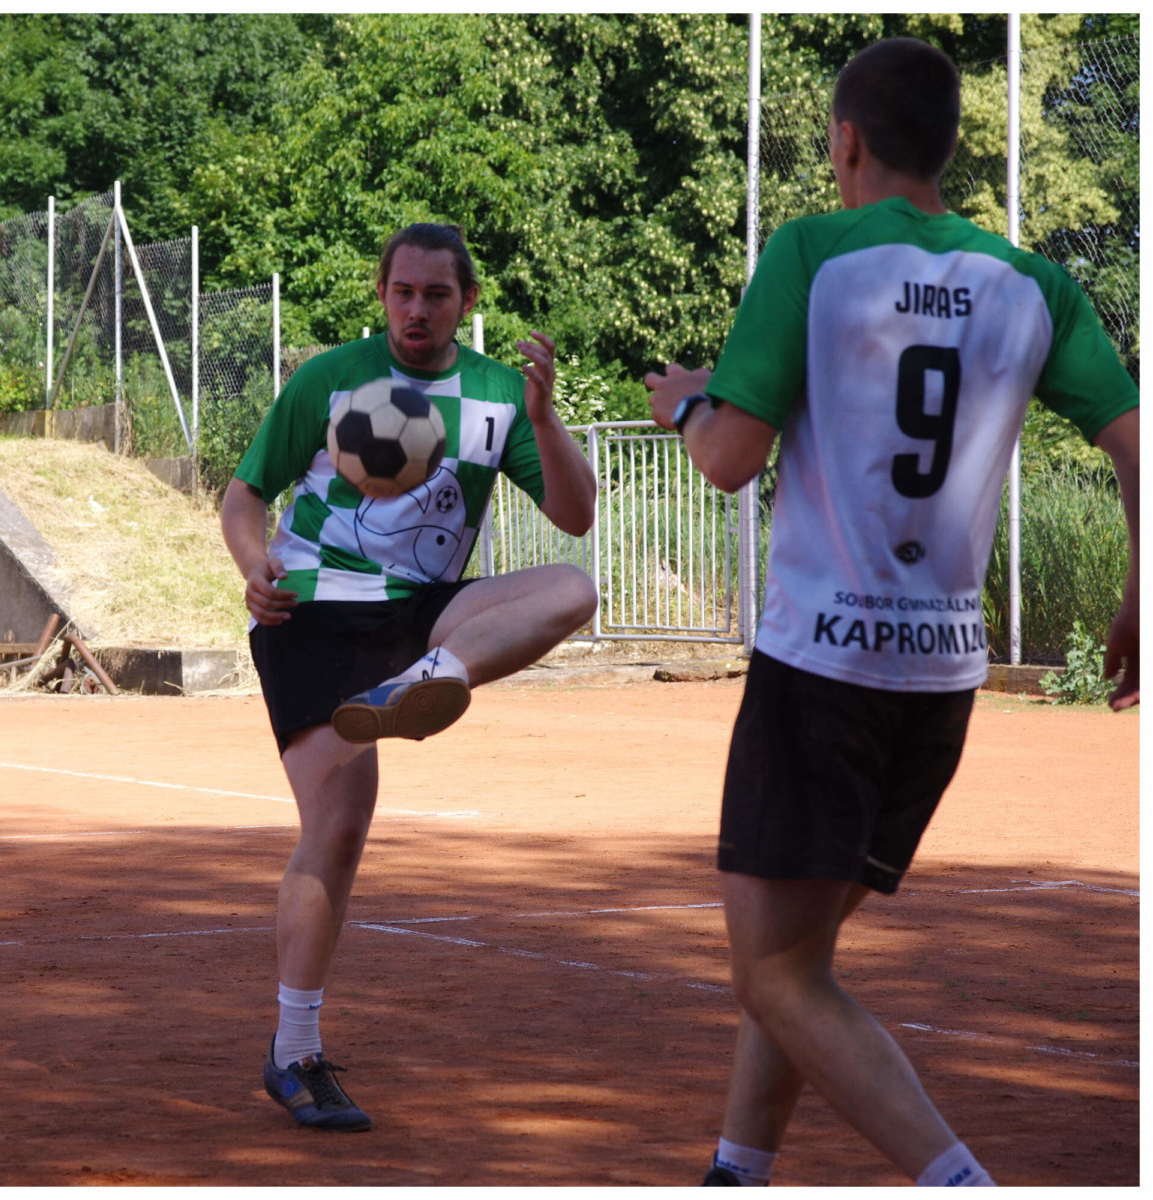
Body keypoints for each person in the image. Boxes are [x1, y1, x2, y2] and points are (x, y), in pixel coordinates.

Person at [646, 37, 1138, 1188]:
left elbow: (726, 458)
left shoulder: (813, 253)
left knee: (773, 973)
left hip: (822, 667)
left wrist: (685, 404)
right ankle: (737, 1168)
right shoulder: (1033, 284)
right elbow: (1137, 441)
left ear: (846, 142)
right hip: (942, 679)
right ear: (949, 149)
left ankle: (957, 1180)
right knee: (802, 956)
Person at [222, 222, 598, 1131]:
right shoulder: (329, 379)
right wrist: (252, 564)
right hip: (314, 612)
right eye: (402, 292)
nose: (417, 310)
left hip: (422, 613)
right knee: (339, 827)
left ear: (468, 301)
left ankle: (428, 679)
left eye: (436, 294)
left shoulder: (501, 395)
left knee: (573, 588)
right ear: (382, 294)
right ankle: (293, 1054)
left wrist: (546, 419)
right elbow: (244, 496)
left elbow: (576, 515)